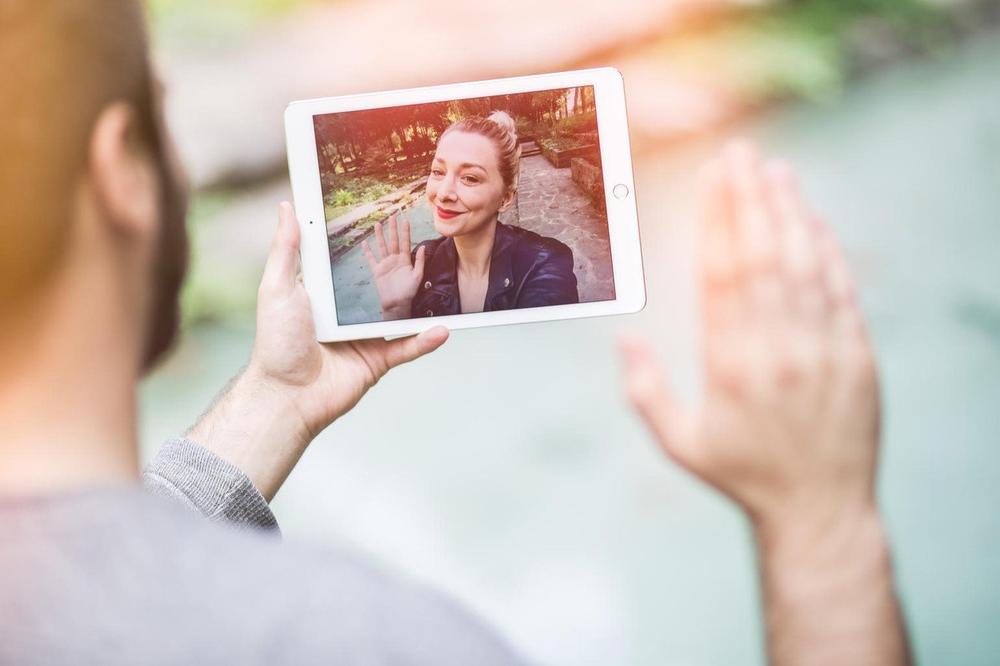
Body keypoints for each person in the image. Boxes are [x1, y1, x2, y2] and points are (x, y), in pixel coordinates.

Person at [0, 2, 911, 664]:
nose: (443, 191)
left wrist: (275, 400)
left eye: (466, 177)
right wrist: (821, 534)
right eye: (165, 115)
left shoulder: (523, 261)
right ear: (121, 168)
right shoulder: (355, 639)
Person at [362, 111, 579, 320]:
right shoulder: (420, 264)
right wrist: (397, 310)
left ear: (505, 198)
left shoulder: (545, 263)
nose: (444, 193)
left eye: (470, 178)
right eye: (438, 172)